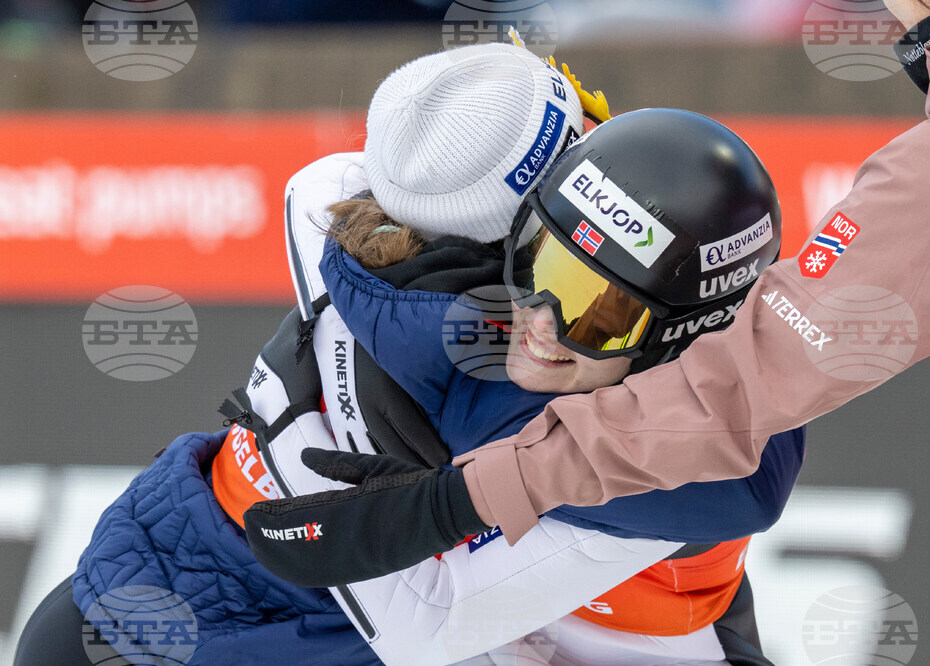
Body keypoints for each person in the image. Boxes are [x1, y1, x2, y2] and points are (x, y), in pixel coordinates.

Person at [15, 43, 796, 666]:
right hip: (220, 634)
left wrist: (295, 431)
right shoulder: (542, 400)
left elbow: (319, 185)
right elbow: (751, 471)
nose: (545, 324)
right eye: (583, 146)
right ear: (513, 224)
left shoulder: (347, 227)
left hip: (135, 571)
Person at [282, 0, 930, 600]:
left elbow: (745, 396)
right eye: (544, 268)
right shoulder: (484, 364)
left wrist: (454, 503)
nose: (547, 323)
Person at [246, 107, 803, 664]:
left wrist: (288, 420)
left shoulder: (655, 472)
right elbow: (324, 184)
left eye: (598, 318)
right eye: (540, 266)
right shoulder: (448, 307)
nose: (540, 324)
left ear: (677, 342)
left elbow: (425, 631)